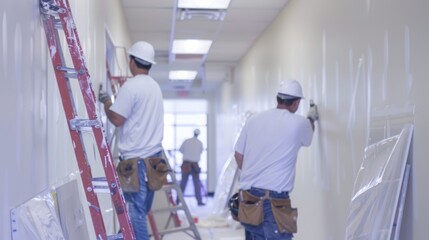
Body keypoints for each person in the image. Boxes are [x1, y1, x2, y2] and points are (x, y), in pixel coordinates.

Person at [234, 79, 319, 240]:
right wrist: (311, 118)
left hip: (248, 201)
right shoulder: (299, 123)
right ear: (296, 103)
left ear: (277, 98)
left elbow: (238, 155)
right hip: (272, 203)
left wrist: (253, 174)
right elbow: (308, 136)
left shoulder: (253, 120)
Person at [99, 41, 164, 240]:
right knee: (140, 211)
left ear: (133, 61)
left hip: (136, 162)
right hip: (154, 159)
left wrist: (107, 102)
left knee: (135, 212)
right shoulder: (155, 88)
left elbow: (117, 119)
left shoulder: (132, 86)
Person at [178, 129, 205, 206]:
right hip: (195, 165)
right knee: (196, 183)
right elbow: (200, 152)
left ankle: (178, 200)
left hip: (186, 164)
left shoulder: (186, 141)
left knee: (183, 182)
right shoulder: (200, 143)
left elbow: (181, 150)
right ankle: (199, 201)